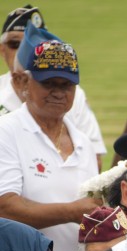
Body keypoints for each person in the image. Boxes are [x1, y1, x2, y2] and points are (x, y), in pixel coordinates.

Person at [0, 21, 97, 251]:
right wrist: (72, 212)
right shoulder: (6, 131)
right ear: (23, 83)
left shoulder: (83, 143)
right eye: (48, 83)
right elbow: (5, 207)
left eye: (66, 85)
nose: (58, 92)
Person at [0, 5, 106, 165]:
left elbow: (94, 156)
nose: (24, 51)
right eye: (15, 44)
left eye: (38, 47)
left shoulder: (72, 95)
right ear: (2, 49)